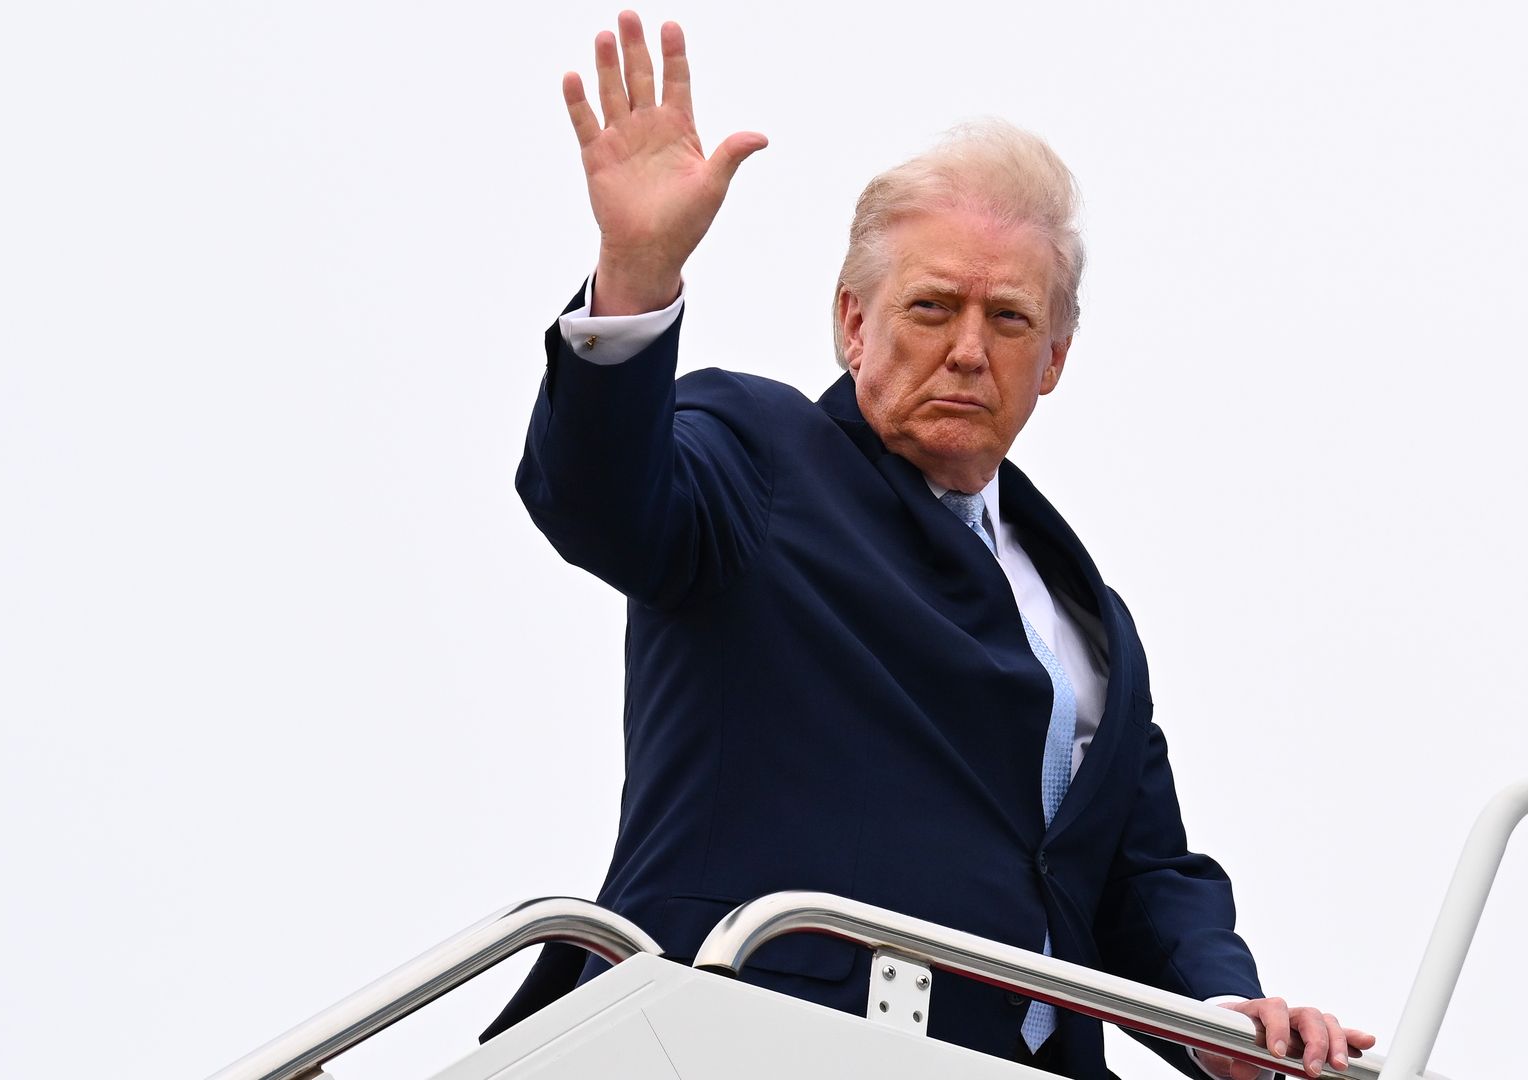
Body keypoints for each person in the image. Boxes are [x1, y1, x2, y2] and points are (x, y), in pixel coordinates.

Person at [483, 11, 1376, 1080]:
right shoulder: (758, 459)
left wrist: (1229, 1015)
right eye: (931, 306)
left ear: (1055, 359)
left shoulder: (1088, 618)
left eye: (1009, 320)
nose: (966, 350)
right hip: (756, 1035)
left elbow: (1136, 874)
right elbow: (598, 499)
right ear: (853, 324)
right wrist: (634, 275)